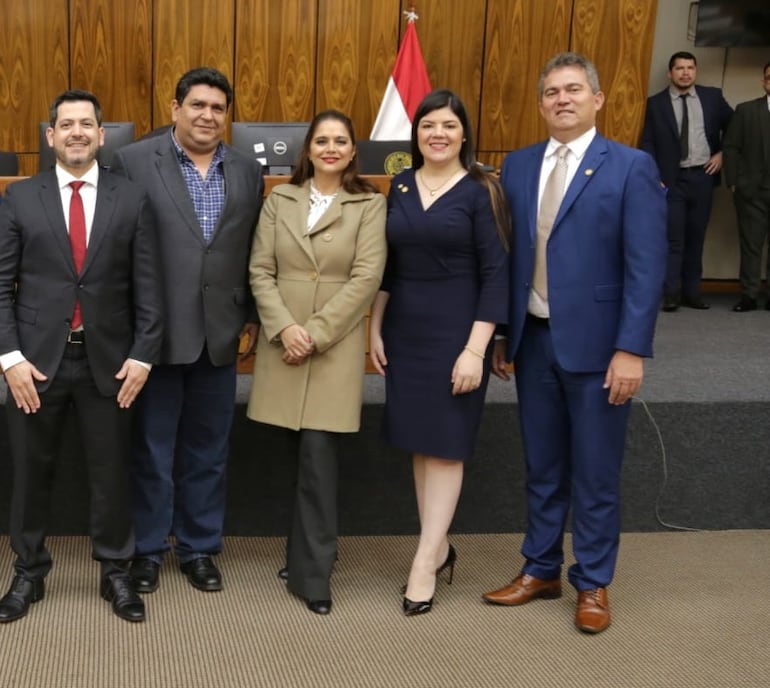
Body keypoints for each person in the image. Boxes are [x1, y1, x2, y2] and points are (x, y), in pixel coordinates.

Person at [481, 53, 667, 634]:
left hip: (601, 349)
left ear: (597, 99)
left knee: (595, 471)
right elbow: (508, 258)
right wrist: (503, 333)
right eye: (552, 92)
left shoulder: (631, 166)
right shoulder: (518, 166)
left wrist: (631, 348)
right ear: (541, 104)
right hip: (533, 343)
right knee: (542, 466)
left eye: (574, 90)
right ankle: (540, 568)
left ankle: (593, 582)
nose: (562, 99)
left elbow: (646, 266)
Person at [0, 89, 163, 623]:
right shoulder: (20, 198)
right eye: (65, 124)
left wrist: (142, 356)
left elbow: (149, 288)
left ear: (100, 135)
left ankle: (116, 573)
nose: (76, 132)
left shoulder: (131, 197)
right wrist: (9, 358)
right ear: (50, 136)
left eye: (86, 124)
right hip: (34, 365)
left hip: (110, 365)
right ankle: (28, 573)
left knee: (112, 472)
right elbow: (0, 286)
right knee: (28, 473)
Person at [109, 67, 264, 594]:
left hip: (220, 334)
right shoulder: (130, 162)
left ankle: (199, 547)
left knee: (208, 450)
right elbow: (116, 250)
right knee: (152, 449)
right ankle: (149, 550)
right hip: (154, 335)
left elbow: (251, 251)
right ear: (175, 108)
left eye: (218, 108)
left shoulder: (246, 170)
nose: (207, 116)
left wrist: (252, 318)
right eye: (197, 105)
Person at [369, 89, 510, 616]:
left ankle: (425, 561)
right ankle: (439, 544)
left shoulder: (482, 190)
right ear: (417, 133)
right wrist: (375, 328)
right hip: (406, 329)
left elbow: (497, 273)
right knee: (421, 442)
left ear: (464, 133)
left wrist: (476, 350)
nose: (438, 134)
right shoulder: (401, 183)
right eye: (429, 125)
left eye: (449, 126)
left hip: (458, 331)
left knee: (447, 444)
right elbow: (390, 266)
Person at [248, 110, 386, 616]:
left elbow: (366, 277)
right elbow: (260, 268)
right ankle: (301, 555)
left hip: (331, 345)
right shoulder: (279, 198)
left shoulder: (369, 204)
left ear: (353, 152)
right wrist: (285, 328)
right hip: (283, 340)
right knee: (296, 455)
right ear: (307, 150)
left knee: (319, 460)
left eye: (341, 141)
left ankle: (313, 575)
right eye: (321, 140)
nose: (331, 148)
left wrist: (315, 334)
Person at [640, 51, 733, 312]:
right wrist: (654, 176)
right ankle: (671, 294)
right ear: (670, 73)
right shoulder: (656, 104)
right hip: (672, 180)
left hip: (703, 177)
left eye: (690, 67)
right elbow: (647, 141)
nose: (685, 72)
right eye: (679, 68)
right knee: (673, 239)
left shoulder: (712, 97)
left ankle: (692, 293)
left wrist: (723, 154)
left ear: (695, 71)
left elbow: (737, 127)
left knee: (696, 237)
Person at [722, 61, 770, 312]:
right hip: (752, 192)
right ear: (764, 82)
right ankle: (749, 295)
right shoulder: (747, 110)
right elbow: (731, 147)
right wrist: (733, 182)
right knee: (751, 246)